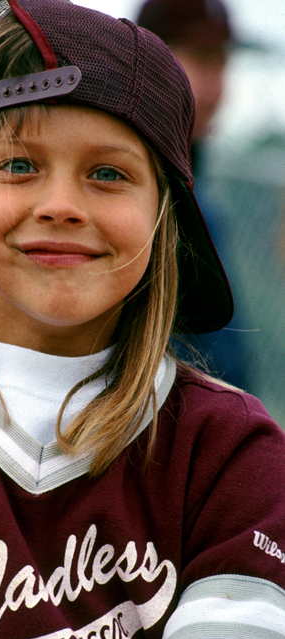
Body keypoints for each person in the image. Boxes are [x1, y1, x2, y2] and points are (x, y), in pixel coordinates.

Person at [0, 1, 285, 638]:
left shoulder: (233, 455)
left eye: (108, 173)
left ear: (163, 223)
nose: (61, 205)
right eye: (19, 165)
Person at [136, 0, 250, 390]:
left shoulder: (201, 196)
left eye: (224, 64)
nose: (220, 89)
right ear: (151, 61)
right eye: (205, 61)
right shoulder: (134, 204)